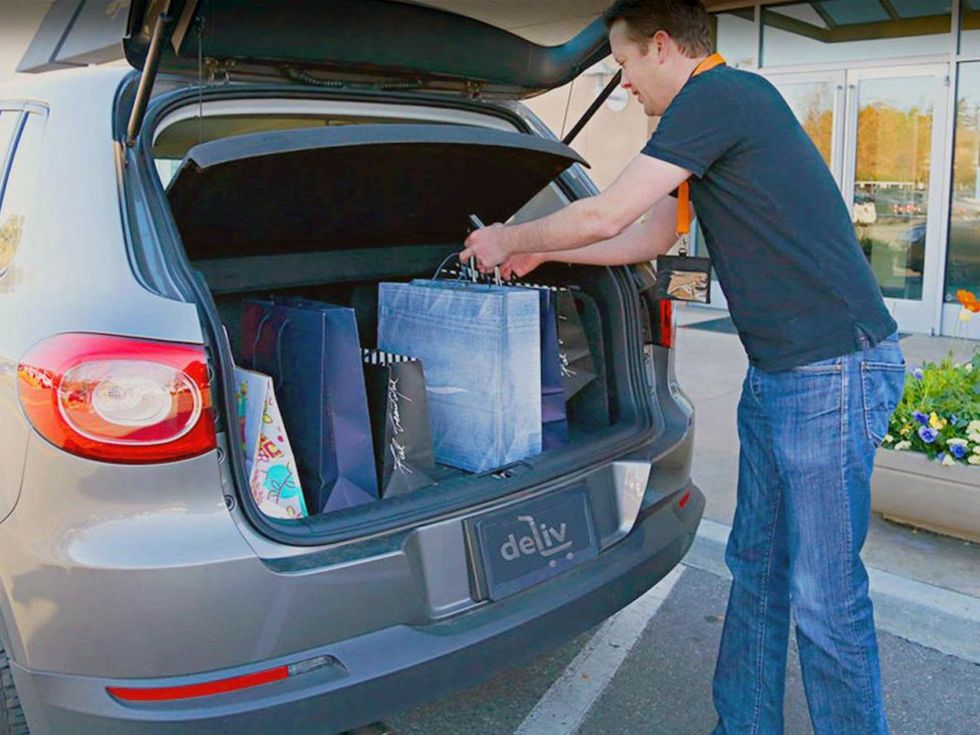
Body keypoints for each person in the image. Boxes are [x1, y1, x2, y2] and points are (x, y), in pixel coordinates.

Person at [459, 1, 905, 733]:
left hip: (833, 369)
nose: (625, 83)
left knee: (827, 595)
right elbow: (650, 233)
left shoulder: (721, 96)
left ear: (661, 46)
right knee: (757, 570)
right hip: (782, 373)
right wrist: (545, 250)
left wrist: (508, 237)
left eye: (625, 63)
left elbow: (607, 214)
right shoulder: (710, 113)